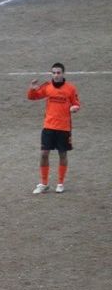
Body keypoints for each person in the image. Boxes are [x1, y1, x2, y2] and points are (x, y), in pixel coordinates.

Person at [28, 63, 81, 194]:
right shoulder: (47, 87)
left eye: (58, 73)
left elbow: (76, 103)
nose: (56, 75)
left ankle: (60, 183)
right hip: (48, 126)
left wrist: (75, 108)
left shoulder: (70, 88)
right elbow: (32, 97)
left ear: (63, 73)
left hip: (64, 127)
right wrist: (32, 89)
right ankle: (44, 183)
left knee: (62, 154)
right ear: (51, 74)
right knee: (44, 154)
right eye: (54, 73)